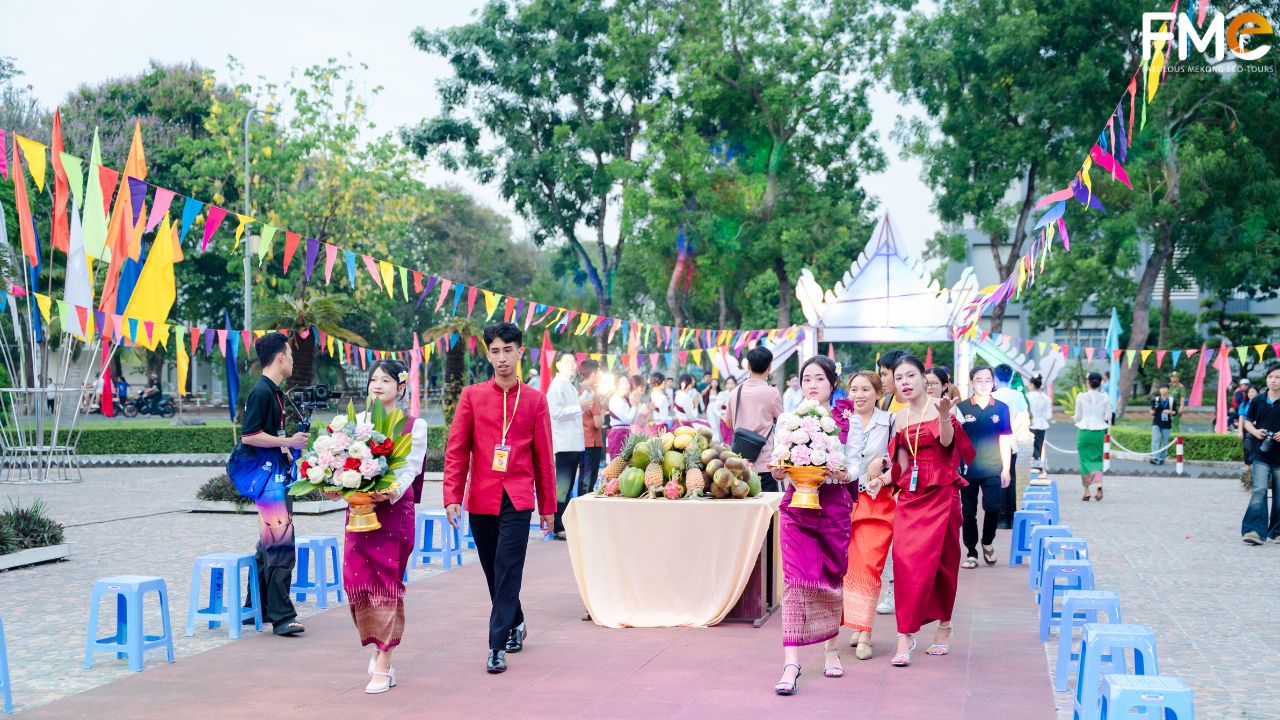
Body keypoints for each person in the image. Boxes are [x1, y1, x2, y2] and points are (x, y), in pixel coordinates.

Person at [444, 322, 556, 674]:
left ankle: (497, 644)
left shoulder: (536, 400)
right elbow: (457, 450)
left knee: (509, 568)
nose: (502, 358)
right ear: (488, 353)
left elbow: (544, 458)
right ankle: (517, 620)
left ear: (520, 352)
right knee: (494, 570)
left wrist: (548, 507)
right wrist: (452, 496)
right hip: (481, 497)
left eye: (509, 350)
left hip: (519, 498)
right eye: (495, 351)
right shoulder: (472, 397)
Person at [332, 360, 428, 694]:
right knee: (355, 583)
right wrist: (337, 481)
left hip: (393, 516)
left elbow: (409, 470)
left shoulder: (415, 426)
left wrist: (382, 493)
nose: (378, 385)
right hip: (358, 515)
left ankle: (385, 661)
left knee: (386, 586)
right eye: (374, 379)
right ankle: (377, 644)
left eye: (386, 380)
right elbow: (340, 463)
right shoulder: (355, 424)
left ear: (400, 388)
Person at [879, 355, 973, 667]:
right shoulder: (899, 417)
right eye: (899, 377)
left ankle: (944, 627)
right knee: (905, 560)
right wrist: (881, 480)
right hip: (912, 495)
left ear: (923, 378)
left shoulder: (943, 406)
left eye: (910, 376)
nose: (904, 382)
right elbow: (901, 464)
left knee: (945, 563)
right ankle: (905, 634)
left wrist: (945, 415)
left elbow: (948, 444)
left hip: (943, 491)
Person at [769, 356, 852, 695]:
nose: (812, 384)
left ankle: (830, 648)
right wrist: (779, 470)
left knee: (830, 579)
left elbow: (855, 466)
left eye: (819, 378)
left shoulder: (845, 419)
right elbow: (778, 462)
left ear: (832, 383)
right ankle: (791, 663)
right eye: (806, 379)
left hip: (833, 508)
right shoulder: (789, 419)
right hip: (797, 508)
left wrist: (841, 472)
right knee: (795, 581)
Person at [235, 332, 310, 636]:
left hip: (275, 474)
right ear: (280, 357)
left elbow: (266, 436)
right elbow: (249, 436)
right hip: (267, 480)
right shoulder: (262, 392)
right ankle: (281, 617)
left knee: (269, 543)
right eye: (290, 354)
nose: (292, 359)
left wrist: (287, 449)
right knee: (280, 545)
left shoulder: (274, 392)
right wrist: (287, 441)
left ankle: (256, 607)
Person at [837, 370, 894, 661]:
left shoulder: (889, 421)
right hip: (843, 500)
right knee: (850, 567)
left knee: (870, 566)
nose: (859, 395)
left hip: (876, 500)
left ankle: (866, 632)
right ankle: (857, 622)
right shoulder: (840, 422)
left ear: (878, 393)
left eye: (865, 390)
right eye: (854, 390)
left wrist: (883, 464)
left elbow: (899, 460)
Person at [955, 366, 1012, 568]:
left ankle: (987, 541)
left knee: (994, 507)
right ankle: (971, 552)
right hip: (967, 469)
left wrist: (1006, 469)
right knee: (968, 511)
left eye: (987, 380)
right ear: (972, 382)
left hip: (992, 467)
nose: (983, 384)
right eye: (979, 380)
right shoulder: (961, 408)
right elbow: (954, 440)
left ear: (993, 382)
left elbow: (1005, 439)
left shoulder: (1001, 408)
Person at [725, 346, 784, 490]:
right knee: (768, 510)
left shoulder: (735, 392)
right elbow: (783, 422)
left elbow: (728, 423)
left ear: (748, 366)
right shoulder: (772, 393)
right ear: (769, 367)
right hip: (765, 465)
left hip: (740, 466)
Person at [546, 353, 585, 539]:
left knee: (568, 487)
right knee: (561, 487)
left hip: (574, 443)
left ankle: (565, 524)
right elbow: (555, 412)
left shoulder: (569, 386)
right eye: (567, 362)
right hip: (563, 444)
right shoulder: (556, 387)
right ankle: (557, 526)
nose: (571, 365)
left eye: (573, 362)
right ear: (558, 365)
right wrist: (580, 407)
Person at [1241, 363, 1280, 545]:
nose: (1273, 380)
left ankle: (1276, 532)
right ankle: (1254, 531)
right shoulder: (1258, 400)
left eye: (1278, 377)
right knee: (1259, 490)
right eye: (1271, 377)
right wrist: (1255, 432)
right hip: (1261, 454)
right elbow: (1247, 421)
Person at [992, 364, 1029, 528]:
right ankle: (1012, 516)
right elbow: (1024, 416)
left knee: (998, 479)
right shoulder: (1018, 396)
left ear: (995, 377)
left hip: (994, 442)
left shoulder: (991, 396)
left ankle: (1001, 518)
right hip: (1012, 440)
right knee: (1010, 478)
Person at [1073, 372, 1110, 502]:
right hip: (1099, 431)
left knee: (1084, 461)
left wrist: (1076, 419)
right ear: (1100, 383)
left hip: (1084, 431)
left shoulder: (1081, 397)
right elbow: (1108, 417)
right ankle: (1099, 484)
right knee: (1097, 460)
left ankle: (1087, 491)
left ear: (1088, 382)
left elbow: (1077, 416)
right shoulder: (1105, 397)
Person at [577, 359, 605, 497]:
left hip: (582, 438)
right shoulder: (591, 390)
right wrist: (602, 412)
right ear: (594, 373)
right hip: (592, 440)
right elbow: (598, 422)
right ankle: (584, 509)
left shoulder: (579, 387)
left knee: (583, 475)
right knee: (588, 479)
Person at [606, 374, 638, 459]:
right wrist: (634, 406)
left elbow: (633, 421)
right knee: (618, 463)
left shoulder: (625, 400)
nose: (626, 386)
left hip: (626, 432)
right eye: (623, 383)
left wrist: (635, 405)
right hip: (618, 434)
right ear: (616, 385)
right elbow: (628, 419)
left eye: (627, 383)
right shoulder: (615, 400)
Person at [1028, 375, 1052, 470]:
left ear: (1032, 385)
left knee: (1029, 448)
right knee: (1039, 447)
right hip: (1041, 425)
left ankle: (1032, 466)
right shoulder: (1046, 398)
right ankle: (1038, 465)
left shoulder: (1027, 397)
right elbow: (1048, 416)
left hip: (1030, 424)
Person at [1149, 384, 1174, 465]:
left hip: (1167, 423)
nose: (1163, 390)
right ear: (1159, 390)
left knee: (1165, 441)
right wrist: (1152, 412)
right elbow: (1152, 410)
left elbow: (1175, 412)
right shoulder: (1155, 400)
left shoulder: (1171, 400)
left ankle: (1162, 458)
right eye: (1162, 388)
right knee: (1155, 439)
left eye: (1165, 388)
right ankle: (1154, 458)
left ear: (1168, 390)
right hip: (1156, 422)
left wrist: (1169, 411)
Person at [709, 376, 736, 444]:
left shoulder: (737, 394)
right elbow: (716, 408)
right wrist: (722, 417)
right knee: (727, 440)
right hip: (725, 420)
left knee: (733, 440)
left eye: (732, 383)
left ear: (735, 384)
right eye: (728, 383)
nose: (730, 385)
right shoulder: (722, 394)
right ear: (726, 385)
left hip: (735, 421)